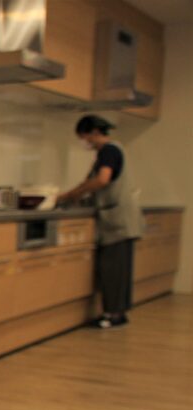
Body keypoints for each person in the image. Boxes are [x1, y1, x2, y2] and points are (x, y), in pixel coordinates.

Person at [57, 114, 143, 328]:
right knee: (119, 269)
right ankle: (117, 313)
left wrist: (70, 195)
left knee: (113, 268)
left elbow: (102, 180)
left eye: (84, 137)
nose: (85, 143)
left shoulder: (109, 151)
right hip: (119, 219)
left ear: (94, 132)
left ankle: (112, 315)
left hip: (117, 220)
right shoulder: (113, 150)